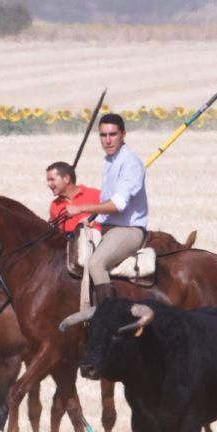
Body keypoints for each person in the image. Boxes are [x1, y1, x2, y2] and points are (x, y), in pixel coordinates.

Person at [63, 113, 147, 305]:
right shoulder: (110, 160)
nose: (107, 140)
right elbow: (107, 201)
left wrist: (80, 209)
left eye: (112, 134)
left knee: (96, 264)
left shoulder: (130, 163)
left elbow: (117, 205)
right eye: (103, 135)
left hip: (128, 230)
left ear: (123, 134)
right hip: (109, 227)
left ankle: (107, 318)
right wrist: (91, 218)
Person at [46, 161, 102, 234]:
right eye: (48, 181)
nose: (49, 184)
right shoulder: (54, 205)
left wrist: (95, 224)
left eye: (52, 179)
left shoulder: (96, 194)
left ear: (66, 178)